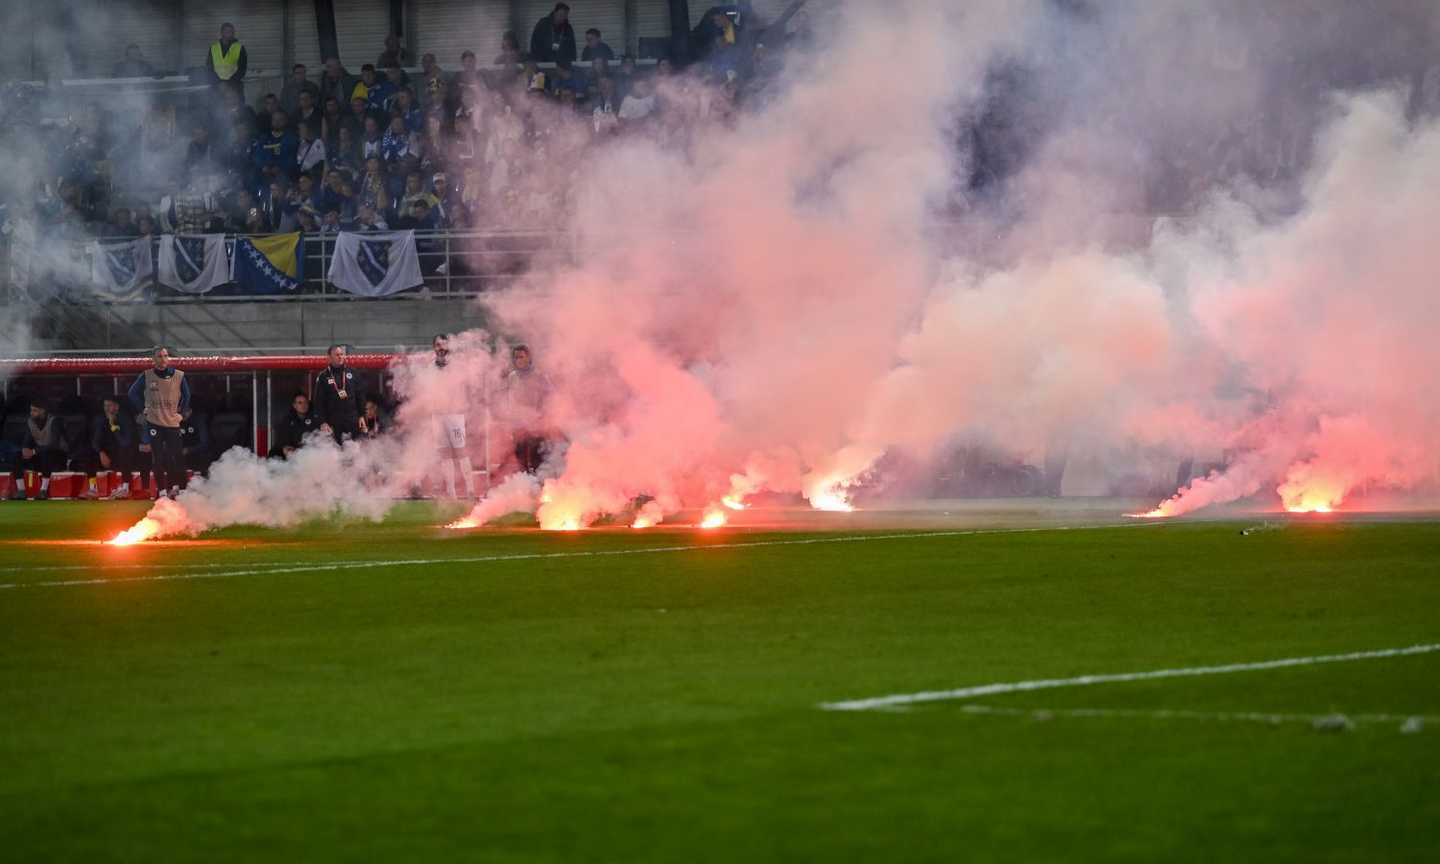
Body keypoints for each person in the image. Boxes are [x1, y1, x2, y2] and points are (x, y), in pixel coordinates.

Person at [127, 346, 191, 499]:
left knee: (176, 457)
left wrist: (181, 414)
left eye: (165, 356)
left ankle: (178, 489)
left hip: (172, 423)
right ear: (154, 359)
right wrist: (144, 409)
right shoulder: (146, 375)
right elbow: (132, 393)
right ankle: (162, 491)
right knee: (157, 458)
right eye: (159, 356)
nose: (163, 359)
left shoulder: (179, 375)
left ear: (168, 358)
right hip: (154, 423)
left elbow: (187, 396)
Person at [430, 334, 476, 499]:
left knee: (461, 451)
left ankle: (470, 489)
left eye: (443, 344)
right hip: (437, 415)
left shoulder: (458, 365)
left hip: (455, 414)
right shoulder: (429, 367)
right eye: (437, 345)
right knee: (444, 453)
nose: (440, 348)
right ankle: (451, 492)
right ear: (434, 348)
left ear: (449, 346)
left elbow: (468, 387)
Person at [503, 344, 551, 474]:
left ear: (528, 357)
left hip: (535, 421)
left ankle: (539, 485)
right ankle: (525, 485)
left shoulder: (539, 376)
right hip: (518, 422)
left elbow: (549, 396)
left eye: (521, 356)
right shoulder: (512, 377)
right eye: (516, 357)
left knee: (536, 456)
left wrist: (541, 414)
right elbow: (509, 398)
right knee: (520, 456)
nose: (518, 360)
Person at [9, 401, 69, 501]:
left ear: (43, 411)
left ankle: (43, 490)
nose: (31, 413)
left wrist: (33, 452)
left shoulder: (55, 421)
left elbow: (54, 445)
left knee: (47, 454)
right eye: (31, 410)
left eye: (34, 410)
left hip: (58, 457)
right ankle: (21, 490)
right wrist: (25, 449)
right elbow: (27, 441)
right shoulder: (31, 422)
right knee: (17, 455)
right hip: (40, 456)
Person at [87, 396, 141, 499]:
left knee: (125, 453)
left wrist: (113, 425)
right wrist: (101, 452)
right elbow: (96, 441)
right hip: (108, 454)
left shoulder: (124, 419)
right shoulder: (101, 419)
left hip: (126, 453)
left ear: (116, 407)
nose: (106, 408)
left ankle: (125, 489)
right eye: (105, 406)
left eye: (109, 405)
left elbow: (125, 442)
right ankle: (93, 488)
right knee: (90, 454)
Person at [312, 344, 368, 444]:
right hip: (333, 421)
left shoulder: (353, 373)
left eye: (342, 354)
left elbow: (360, 396)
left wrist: (362, 416)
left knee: (355, 450)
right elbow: (318, 402)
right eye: (337, 355)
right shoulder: (323, 376)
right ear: (329, 357)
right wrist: (322, 422)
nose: (340, 357)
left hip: (352, 420)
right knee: (336, 453)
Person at [205, 23, 248, 97]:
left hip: (234, 87)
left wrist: (229, 83)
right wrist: (219, 83)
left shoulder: (240, 48)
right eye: (226, 31)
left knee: (238, 108)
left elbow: (242, 69)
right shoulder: (213, 48)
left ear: (233, 33)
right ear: (221, 33)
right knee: (216, 107)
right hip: (217, 87)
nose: (229, 34)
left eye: (231, 31)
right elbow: (209, 68)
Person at [271, 392, 317, 459]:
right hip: (292, 449)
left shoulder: (315, 418)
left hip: (309, 450)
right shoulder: (287, 420)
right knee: (274, 453)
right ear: (294, 405)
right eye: (300, 403)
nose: (303, 405)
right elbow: (282, 438)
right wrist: (285, 447)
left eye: (306, 402)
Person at [180, 408, 212, 475]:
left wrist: (188, 450)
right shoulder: (177, 422)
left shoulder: (199, 421)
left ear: (190, 411)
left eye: (184, 411)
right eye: (179, 411)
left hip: (199, 458)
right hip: (183, 460)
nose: (181, 414)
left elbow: (205, 444)